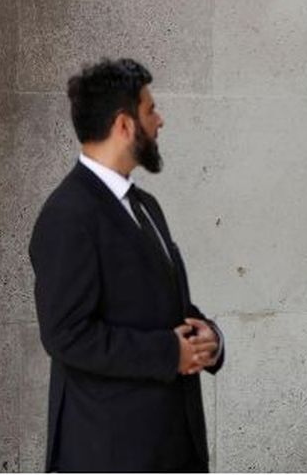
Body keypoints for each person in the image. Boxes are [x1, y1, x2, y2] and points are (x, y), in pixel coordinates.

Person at [29, 58, 225, 472]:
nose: (160, 121)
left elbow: (162, 304)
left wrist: (208, 336)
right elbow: (66, 335)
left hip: (171, 447)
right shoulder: (67, 214)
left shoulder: (145, 205)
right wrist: (167, 352)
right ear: (123, 125)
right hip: (109, 453)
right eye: (150, 110)